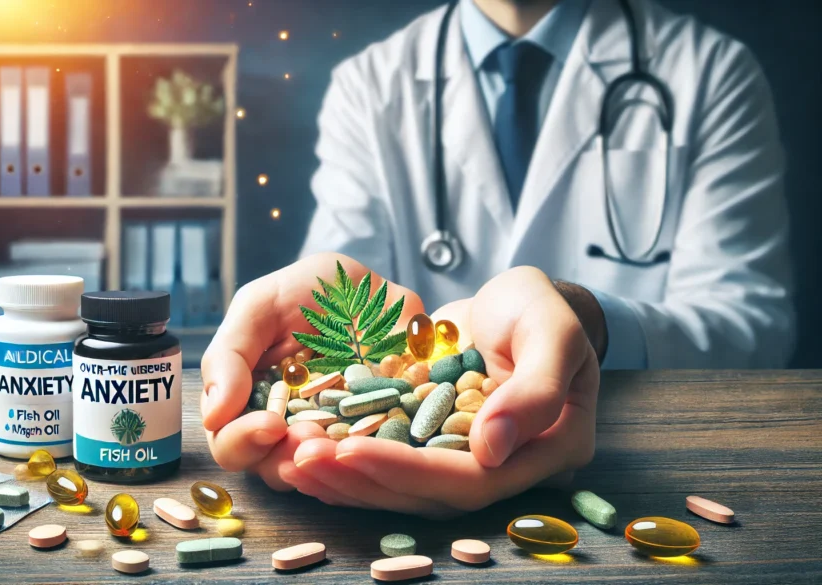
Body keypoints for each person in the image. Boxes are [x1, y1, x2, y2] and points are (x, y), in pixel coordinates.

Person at [200, 0, 795, 517]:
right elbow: (351, 300)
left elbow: (753, 324)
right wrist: (330, 307)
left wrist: (584, 320)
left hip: (665, 457)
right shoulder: (371, 81)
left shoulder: (709, 71)